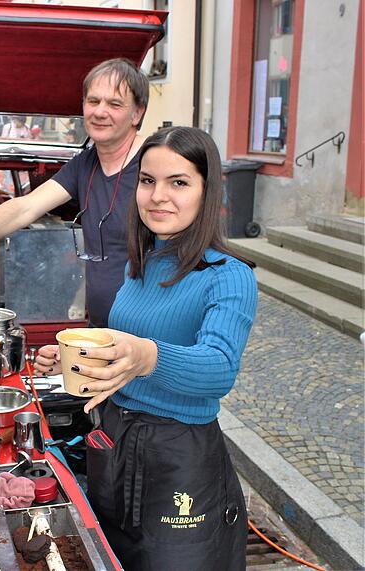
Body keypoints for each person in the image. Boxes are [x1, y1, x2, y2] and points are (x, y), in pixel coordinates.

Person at [35, 126, 258, 570]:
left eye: (179, 182)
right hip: (115, 444)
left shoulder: (228, 275)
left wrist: (145, 356)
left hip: (179, 459)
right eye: (147, 180)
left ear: (207, 190)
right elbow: (126, 335)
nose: (158, 196)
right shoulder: (140, 264)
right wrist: (83, 356)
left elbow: (219, 369)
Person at [0, 58, 149, 327]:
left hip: (147, 337)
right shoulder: (85, 164)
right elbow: (24, 208)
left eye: (114, 104)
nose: (100, 112)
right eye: (93, 101)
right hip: (101, 332)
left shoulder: (154, 162)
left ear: (137, 113)